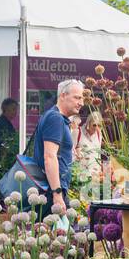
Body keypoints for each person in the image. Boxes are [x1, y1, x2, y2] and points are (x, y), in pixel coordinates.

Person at [36, 78, 84, 213]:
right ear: (63, 95)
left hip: (51, 189)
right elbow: (49, 156)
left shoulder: (56, 117)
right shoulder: (55, 118)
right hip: (51, 192)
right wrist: (57, 194)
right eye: (77, 98)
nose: (81, 103)